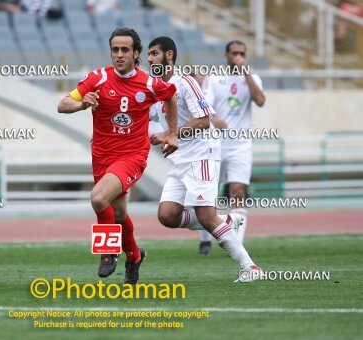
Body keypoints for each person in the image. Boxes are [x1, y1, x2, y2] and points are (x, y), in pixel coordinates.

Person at [57, 27, 179, 284]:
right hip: (102, 156)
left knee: (99, 199)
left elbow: (171, 96)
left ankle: (108, 250)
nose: (119, 55)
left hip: (132, 155)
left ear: (136, 54)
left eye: (125, 50)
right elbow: (62, 104)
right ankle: (134, 256)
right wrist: (82, 104)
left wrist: (172, 133)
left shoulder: (148, 83)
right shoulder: (98, 78)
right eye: (115, 50)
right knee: (120, 214)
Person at [147, 36, 261, 282]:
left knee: (207, 216)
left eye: (154, 53)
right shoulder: (154, 89)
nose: (149, 58)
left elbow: (203, 121)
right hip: (180, 160)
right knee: (167, 215)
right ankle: (229, 221)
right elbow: (149, 122)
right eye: (148, 54)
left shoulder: (185, 82)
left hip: (202, 155)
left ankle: (250, 268)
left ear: (169, 56)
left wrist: (171, 134)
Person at [198, 40, 266, 256]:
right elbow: (204, 104)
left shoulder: (252, 78)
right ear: (226, 55)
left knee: (238, 192)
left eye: (242, 53)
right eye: (234, 53)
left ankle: (237, 244)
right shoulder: (215, 78)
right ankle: (205, 239)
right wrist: (214, 118)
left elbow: (260, 100)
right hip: (215, 143)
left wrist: (246, 73)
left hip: (241, 145)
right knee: (208, 193)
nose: (238, 56)